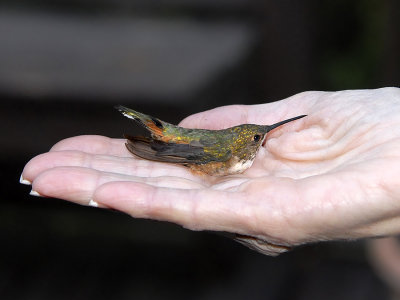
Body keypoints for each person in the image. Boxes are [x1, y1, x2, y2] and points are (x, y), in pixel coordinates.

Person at [20, 87, 400, 255]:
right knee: (167, 135)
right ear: (242, 144)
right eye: (257, 136)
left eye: (258, 135)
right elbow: (189, 154)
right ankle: (147, 124)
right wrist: (161, 150)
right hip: (183, 145)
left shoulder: (238, 149)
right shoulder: (223, 155)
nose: (261, 138)